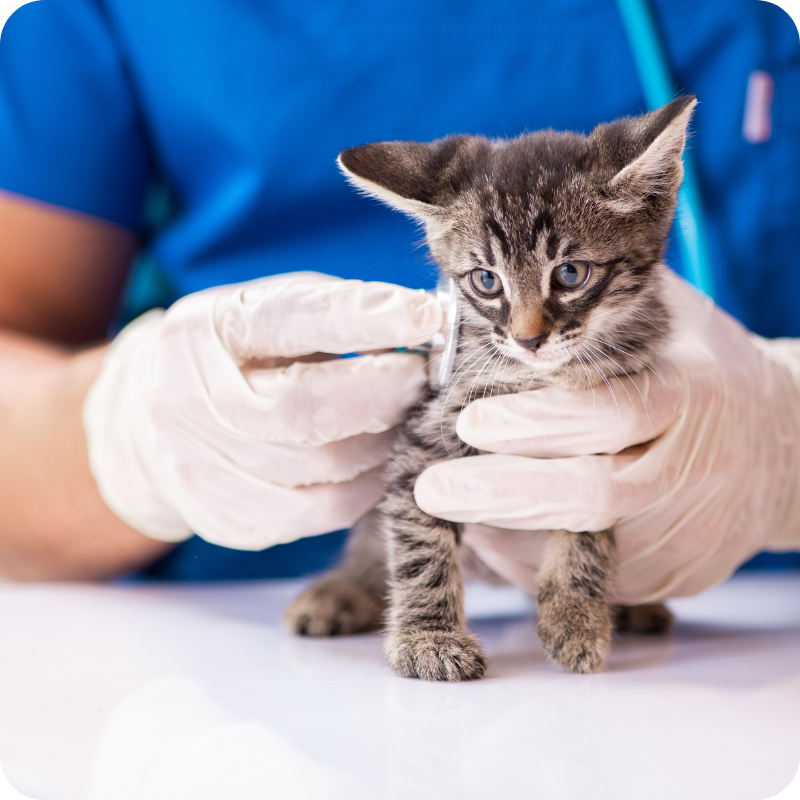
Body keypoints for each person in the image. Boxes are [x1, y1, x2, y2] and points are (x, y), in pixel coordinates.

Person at [0, 0, 798, 600]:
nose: (525, 330)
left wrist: (782, 449)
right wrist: (119, 440)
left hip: (752, 638)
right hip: (231, 638)